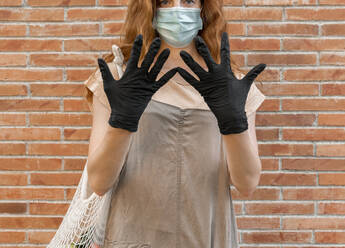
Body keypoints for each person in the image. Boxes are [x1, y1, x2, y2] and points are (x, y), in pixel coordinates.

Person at [82, 0, 267, 247]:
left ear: (203, 9)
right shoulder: (120, 79)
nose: (177, 9)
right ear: (150, 9)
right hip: (129, 235)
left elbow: (247, 184)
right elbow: (99, 183)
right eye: (165, 1)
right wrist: (122, 122)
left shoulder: (232, 86)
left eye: (189, 0)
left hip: (207, 235)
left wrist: (233, 122)